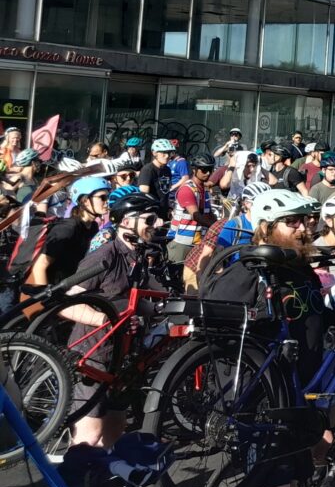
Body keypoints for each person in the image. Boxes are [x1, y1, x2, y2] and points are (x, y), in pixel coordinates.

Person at [202, 190, 326, 487]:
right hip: (263, 410)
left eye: (308, 219)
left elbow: (317, 319)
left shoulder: (296, 269)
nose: (305, 228)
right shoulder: (248, 272)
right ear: (266, 227)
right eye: (294, 222)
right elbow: (218, 343)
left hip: (294, 400)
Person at [59, 190, 162, 447]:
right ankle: (74, 482)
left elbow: (140, 298)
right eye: (149, 219)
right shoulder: (106, 255)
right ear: (127, 222)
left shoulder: (137, 257)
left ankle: (99, 481)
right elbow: (66, 302)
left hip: (123, 358)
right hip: (93, 357)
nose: (157, 224)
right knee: (89, 434)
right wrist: (107, 322)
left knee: (115, 426)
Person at [26, 176, 109, 290]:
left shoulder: (92, 227)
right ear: (85, 201)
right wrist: (47, 301)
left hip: (69, 287)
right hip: (52, 290)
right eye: (103, 197)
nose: (107, 202)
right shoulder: (67, 229)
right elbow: (39, 266)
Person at [168, 153, 216, 262]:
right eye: (204, 170)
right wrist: (215, 226)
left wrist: (222, 224)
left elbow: (209, 214)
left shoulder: (204, 189)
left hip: (198, 242)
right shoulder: (187, 189)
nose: (208, 173)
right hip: (182, 242)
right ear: (194, 170)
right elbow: (196, 215)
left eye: (210, 169)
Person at [138, 139, 175, 220]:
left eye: (169, 153)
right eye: (164, 153)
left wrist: (169, 207)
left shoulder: (167, 170)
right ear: (154, 153)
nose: (167, 156)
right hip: (152, 213)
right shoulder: (148, 169)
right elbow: (144, 195)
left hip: (164, 212)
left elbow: (165, 192)